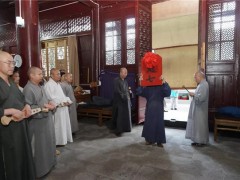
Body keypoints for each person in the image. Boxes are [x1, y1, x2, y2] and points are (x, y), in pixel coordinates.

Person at [0, 50, 35, 180]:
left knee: (22, 158)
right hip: (6, 132)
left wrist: (27, 105)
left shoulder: (11, 82)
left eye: (13, 62)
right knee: (10, 163)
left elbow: (21, 98)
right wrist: (9, 111)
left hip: (21, 129)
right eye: (8, 62)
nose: (12, 65)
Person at [23, 67, 56, 178]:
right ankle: (40, 170)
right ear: (32, 75)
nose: (42, 76)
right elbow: (28, 107)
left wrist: (51, 103)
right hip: (37, 123)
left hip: (47, 120)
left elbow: (46, 100)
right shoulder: (28, 89)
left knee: (49, 143)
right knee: (40, 147)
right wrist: (43, 107)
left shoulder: (41, 86)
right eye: (39, 74)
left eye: (42, 74)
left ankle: (50, 164)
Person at [136, 76, 171, 147]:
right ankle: (149, 140)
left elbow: (168, 93)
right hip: (150, 109)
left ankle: (159, 141)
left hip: (158, 109)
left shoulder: (161, 86)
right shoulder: (148, 87)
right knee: (150, 124)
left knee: (159, 125)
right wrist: (141, 83)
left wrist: (165, 83)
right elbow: (139, 92)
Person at [44, 68, 73, 146]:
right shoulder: (49, 85)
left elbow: (62, 96)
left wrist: (67, 100)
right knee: (58, 126)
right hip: (57, 109)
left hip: (63, 108)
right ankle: (57, 142)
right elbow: (51, 98)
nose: (59, 76)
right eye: (57, 74)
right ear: (51, 75)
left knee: (63, 125)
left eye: (59, 74)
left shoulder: (57, 84)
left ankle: (63, 140)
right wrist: (62, 102)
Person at [185, 70, 209, 146]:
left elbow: (202, 97)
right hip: (198, 109)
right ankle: (197, 140)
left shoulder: (204, 85)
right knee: (197, 125)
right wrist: (194, 94)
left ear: (199, 76)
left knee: (200, 125)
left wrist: (194, 95)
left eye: (195, 77)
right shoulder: (201, 84)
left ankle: (201, 141)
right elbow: (199, 95)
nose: (194, 79)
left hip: (201, 110)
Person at [111, 67, 132, 136]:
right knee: (119, 116)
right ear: (120, 73)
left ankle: (126, 128)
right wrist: (125, 97)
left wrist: (129, 94)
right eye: (123, 72)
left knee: (125, 115)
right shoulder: (116, 80)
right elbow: (117, 91)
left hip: (125, 101)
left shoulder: (125, 81)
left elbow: (126, 91)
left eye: (126, 73)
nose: (125, 74)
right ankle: (118, 131)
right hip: (119, 101)